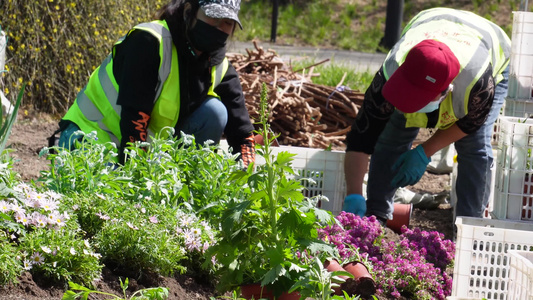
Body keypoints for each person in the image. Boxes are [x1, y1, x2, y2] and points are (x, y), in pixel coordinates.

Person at [342, 7, 511, 224]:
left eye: (416, 100)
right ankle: (376, 217)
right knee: (392, 136)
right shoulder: (390, 71)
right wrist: (354, 194)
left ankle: (469, 228)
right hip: (432, 23)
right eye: (405, 95)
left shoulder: (477, 83)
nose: (408, 106)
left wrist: (424, 151)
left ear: (446, 92)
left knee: (473, 146)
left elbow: (471, 124)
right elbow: (361, 138)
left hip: (491, 49)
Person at [52, 0, 255, 167]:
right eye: (214, 17)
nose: (219, 27)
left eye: (227, 23)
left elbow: (242, 130)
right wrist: (138, 179)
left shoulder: (218, 64)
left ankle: (190, 181)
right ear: (189, 11)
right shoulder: (149, 42)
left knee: (215, 112)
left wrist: (246, 177)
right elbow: (134, 123)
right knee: (111, 207)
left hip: (146, 150)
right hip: (92, 139)